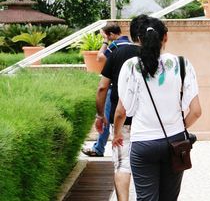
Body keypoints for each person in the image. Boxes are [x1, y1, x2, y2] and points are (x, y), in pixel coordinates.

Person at [112, 16, 202, 200]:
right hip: (175, 143)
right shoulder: (182, 64)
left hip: (143, 143)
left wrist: (117, 134)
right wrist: (179, 126)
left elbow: (122, 111)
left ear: (139, 39)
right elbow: (196, 111)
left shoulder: (131, 67)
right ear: (165, 37)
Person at [94, 15, 146, 201]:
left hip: (121, 117)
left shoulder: (115, 52)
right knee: (145, 167)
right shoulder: (154, 56)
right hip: (147, 121)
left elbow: (102, 87)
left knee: (123, 165)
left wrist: (100, 114)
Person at [83, 21, 131, 157]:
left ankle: (99, 148)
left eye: (105, 35)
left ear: (110, 34)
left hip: (113, 87)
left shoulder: (115, 45)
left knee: (105, 117)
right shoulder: (129, 44)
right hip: (128, 88)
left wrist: (105, 42)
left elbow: (100, 58)